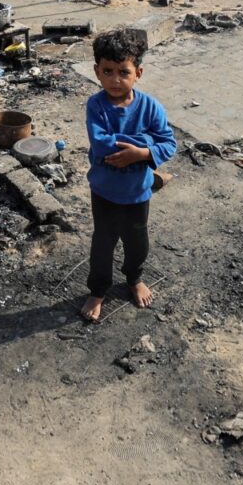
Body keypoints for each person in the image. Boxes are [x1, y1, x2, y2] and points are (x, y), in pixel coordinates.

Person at [80, 28, 177, 323]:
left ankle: (134, 278)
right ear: (97, 71)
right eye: (108, 71)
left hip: (137, 192)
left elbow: (168, 142)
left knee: (138, 243)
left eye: (124, 72)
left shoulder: (150, 107)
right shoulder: (96, 106)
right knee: (103, 244)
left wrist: (142, 153)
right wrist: (145, 141)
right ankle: (98, 290)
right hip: (105, 191)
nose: (115, 79)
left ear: (138, 73)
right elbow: (101, 143)